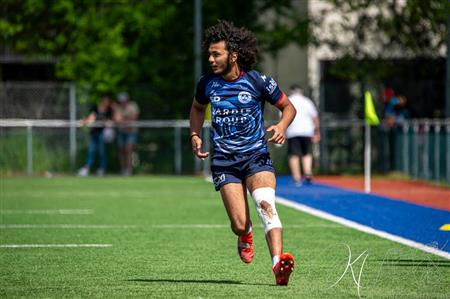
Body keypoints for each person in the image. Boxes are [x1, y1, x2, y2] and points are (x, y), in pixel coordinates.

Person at [189, 20, 297, 286]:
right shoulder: (207, 84)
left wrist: (282, 125)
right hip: (225, 162)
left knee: (265, 204)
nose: (211, 59)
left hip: (256, 156)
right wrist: (194, 134)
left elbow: (289, 107)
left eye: (217, 54)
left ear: (233, 56)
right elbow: (196, 109)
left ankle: (277, 266)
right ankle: (244, 233)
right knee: (239, 223)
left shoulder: (257, 81)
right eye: (209, 54)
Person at [285, 85, 320, 186]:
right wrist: (316, 131)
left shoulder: (288, 100)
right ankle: (308, 173)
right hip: (307, 131)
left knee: (293, 154)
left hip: (293, 131)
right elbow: (315, 117)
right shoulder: (307, 101)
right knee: (307, 153)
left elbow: (283, 116)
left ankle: (297, 178)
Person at [78, 94, 113, 177]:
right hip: (94, 133)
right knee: (91, 150)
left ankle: (102, 169)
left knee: (102, 151)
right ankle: (87, 168)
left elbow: (110, 121)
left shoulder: (110, 110)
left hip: (103, 134)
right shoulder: (96, 108)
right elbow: (91, 118)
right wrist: (85, 121)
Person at [113, 92, 140, 176]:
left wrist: (123, 119)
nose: (122, 102)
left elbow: (134, 118)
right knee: (122, 150)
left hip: (131, 132)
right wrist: (126, 119)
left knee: (128, 150)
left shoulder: (133, 106)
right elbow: (116, 119)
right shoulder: (118, 107)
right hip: (121, 132)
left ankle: (129, 170)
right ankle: (123, 169)